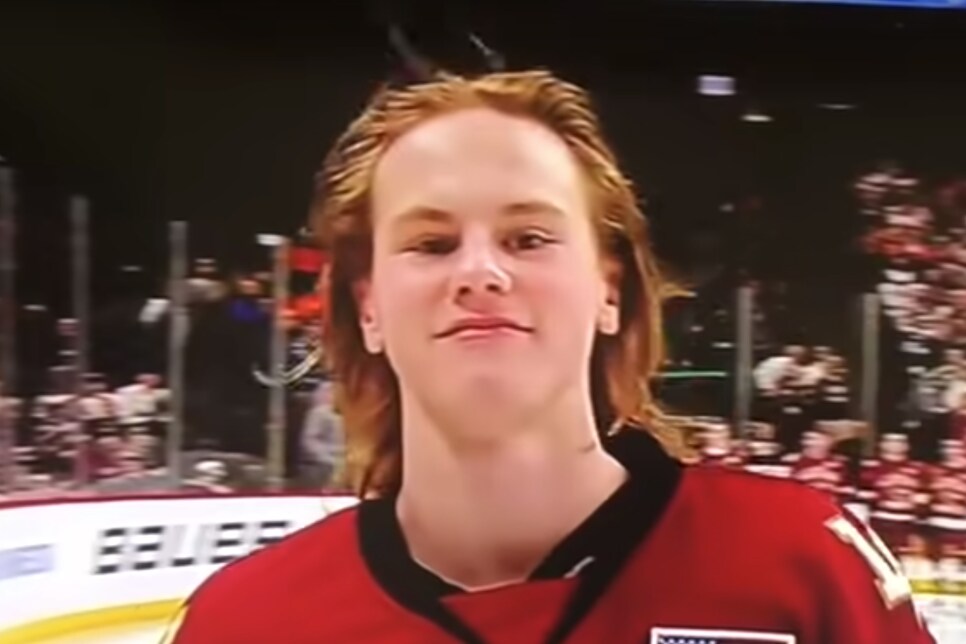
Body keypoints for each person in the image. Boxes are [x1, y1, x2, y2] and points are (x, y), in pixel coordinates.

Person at [163, 70, 934, 643]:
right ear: (368, 307)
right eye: (430, 243)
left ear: (609, 290)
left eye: (528, 237)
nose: (480, 272)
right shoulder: (244, 622)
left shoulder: (803, 567)